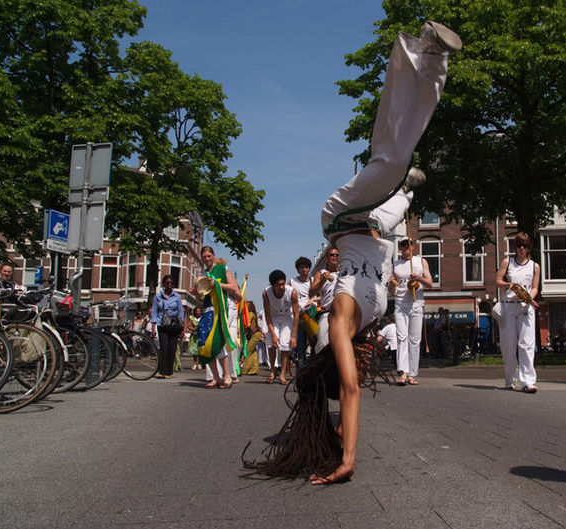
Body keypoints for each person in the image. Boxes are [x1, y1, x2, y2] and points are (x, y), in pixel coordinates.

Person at [242, 21, 460, 485]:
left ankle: (426, 65)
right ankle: (407, 186)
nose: (359, 361)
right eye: (358, 356)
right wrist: (344, 446)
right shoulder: (367, 315)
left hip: (340, 219)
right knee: (389, 180)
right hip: (371, 228)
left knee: (389, 162)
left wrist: (348, 456)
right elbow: (349, 386)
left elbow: (350, 388)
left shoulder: (340, 322)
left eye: (348, 357)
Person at [495, 232, 540, 393]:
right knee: (508, 344)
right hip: (509, 306)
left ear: (529, 248)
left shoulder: (534, 266)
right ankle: (510, 379)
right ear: (515, 247)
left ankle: (528, 381)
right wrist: (509, 285)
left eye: (525, 246)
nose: (522, 249)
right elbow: (498, 280)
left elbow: (535, 287)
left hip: (525, 307)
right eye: (519, 245)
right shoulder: (508, 262)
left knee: (527, 344)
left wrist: (528, 297)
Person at [194, 245, 241, 389]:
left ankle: (227, 376)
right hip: (208, 309)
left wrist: (217, 283)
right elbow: (201, 299)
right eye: (204, 257)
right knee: (204, 343)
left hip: (221, 308)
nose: (207, 259)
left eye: (209, 256)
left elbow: (234, 288)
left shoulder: (222, 269)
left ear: (213, 255)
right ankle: (216, 377)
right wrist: (196, 292)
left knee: (218, 340)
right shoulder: (203, 274)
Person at [389, 238, 433, 385]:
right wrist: (391, 283)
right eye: (403, 245)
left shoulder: (421, 262)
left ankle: (412, 374)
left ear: (413, 247)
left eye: (409, 244)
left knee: (415, 339)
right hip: (401, 303)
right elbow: (392, 290)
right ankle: (403, 372)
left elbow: (430, 284)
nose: (406, 247)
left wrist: (419, 277)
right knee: (402, 337)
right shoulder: (394, 264)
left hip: (417, 303)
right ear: (400, 248)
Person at [262, 269, 299, 385]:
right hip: (273, 317)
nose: (282, 287)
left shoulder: (292, 292)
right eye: (278, 285)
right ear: (272, 285)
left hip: (287, 317)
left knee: (284, 345)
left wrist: (293, 335)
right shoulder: (266, 293)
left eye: (283, 284)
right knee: (272, 344)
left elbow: (297, 314)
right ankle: (272, 370)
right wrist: (272, 334)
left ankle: (282, 374)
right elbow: (267, 314)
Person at [150, 274, 184, 379]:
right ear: (164, 284)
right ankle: (162, 371)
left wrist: (182, 328)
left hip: (173, 325)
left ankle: (169, 371)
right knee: (163, 348)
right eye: (167, 283)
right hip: (162, 325)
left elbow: (180, 312)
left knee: (172, 349)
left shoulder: (177, 297)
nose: (169, 285)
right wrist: (153, 328)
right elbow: (154, 312)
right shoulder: (158, 296)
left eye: (171, 283)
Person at [290, 257, 319, 367]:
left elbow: (321, 296)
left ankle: (313, 365)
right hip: (299, 316)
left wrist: (312, 300)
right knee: (300, 343)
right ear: (298, 269)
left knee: (315, 341)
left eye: (307, 267)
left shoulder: (313, 281)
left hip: (312, 314)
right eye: (302, 267)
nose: (305, 270)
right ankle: (301, 365)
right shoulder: (292, 282)